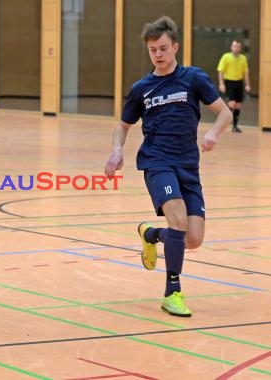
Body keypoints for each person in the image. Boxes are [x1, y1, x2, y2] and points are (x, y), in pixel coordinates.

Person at [104, 16, 232, 317]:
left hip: (189, 164)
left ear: (175, 47)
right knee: (177, 218)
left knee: (193, 238)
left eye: (162, 48)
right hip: (157, 161)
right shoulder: (142, 88)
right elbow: (122, 125)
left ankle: (151, 235)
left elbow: (224, 112)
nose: (158, 54)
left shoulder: (194, 78)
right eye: (152, 50)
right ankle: (172, 292)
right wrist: (117, 149)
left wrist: (213, 133)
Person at [217, 40, 251, 133]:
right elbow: (220, 71)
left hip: (239, 83)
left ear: (240, 48)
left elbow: (245, 73)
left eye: (238, 47)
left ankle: (235, 126)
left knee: (238, 105)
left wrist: (247, 84)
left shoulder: (243, 58)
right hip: (229, 82)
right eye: (235, 46)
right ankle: (222, 121)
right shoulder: (226, 57)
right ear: (231, 47)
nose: (236, 48)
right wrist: (221, 84)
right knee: (231, 104)